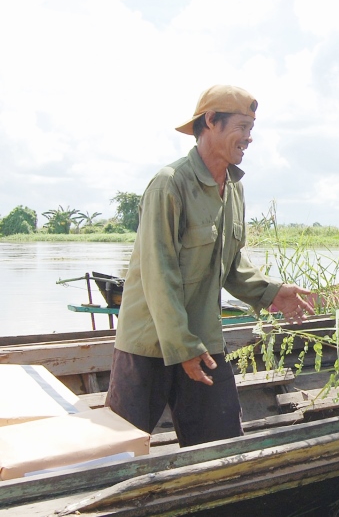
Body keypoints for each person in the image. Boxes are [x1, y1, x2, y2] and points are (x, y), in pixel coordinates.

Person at [105, 85, 315, 447]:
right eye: (242, 127)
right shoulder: (170, 184)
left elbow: (231, 264)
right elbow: (159, 274)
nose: (249, 138)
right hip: (148, 343)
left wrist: (271, 292)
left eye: (252, 128)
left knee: (221, 448)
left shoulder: (234, 188)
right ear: (210, 122)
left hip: (202, 341)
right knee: (117, 451)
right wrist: (183, 347)